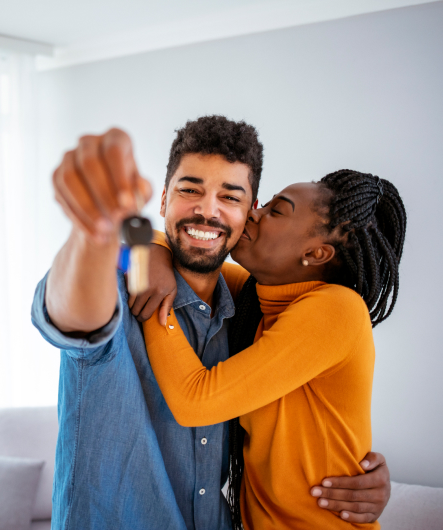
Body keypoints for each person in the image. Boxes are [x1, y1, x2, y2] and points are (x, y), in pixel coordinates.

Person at [31, 116, 391, 530]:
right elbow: (70, 306)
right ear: (163, 199)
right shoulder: (142, 279)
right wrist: (105, 237)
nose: (208, 209)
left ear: (247, 213)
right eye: (190, 190)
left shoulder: (284, 308)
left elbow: (200, 402)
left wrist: (148, 273)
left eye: (233, 197)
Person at [141, 170, 405, 529]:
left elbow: (194, 401)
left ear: (315, 253)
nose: (252, 210)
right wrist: (154, 254)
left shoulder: (337, 308)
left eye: (276, 211)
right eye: (263, 203)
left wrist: (154, 296)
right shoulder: (255, 301)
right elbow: (149, 243)